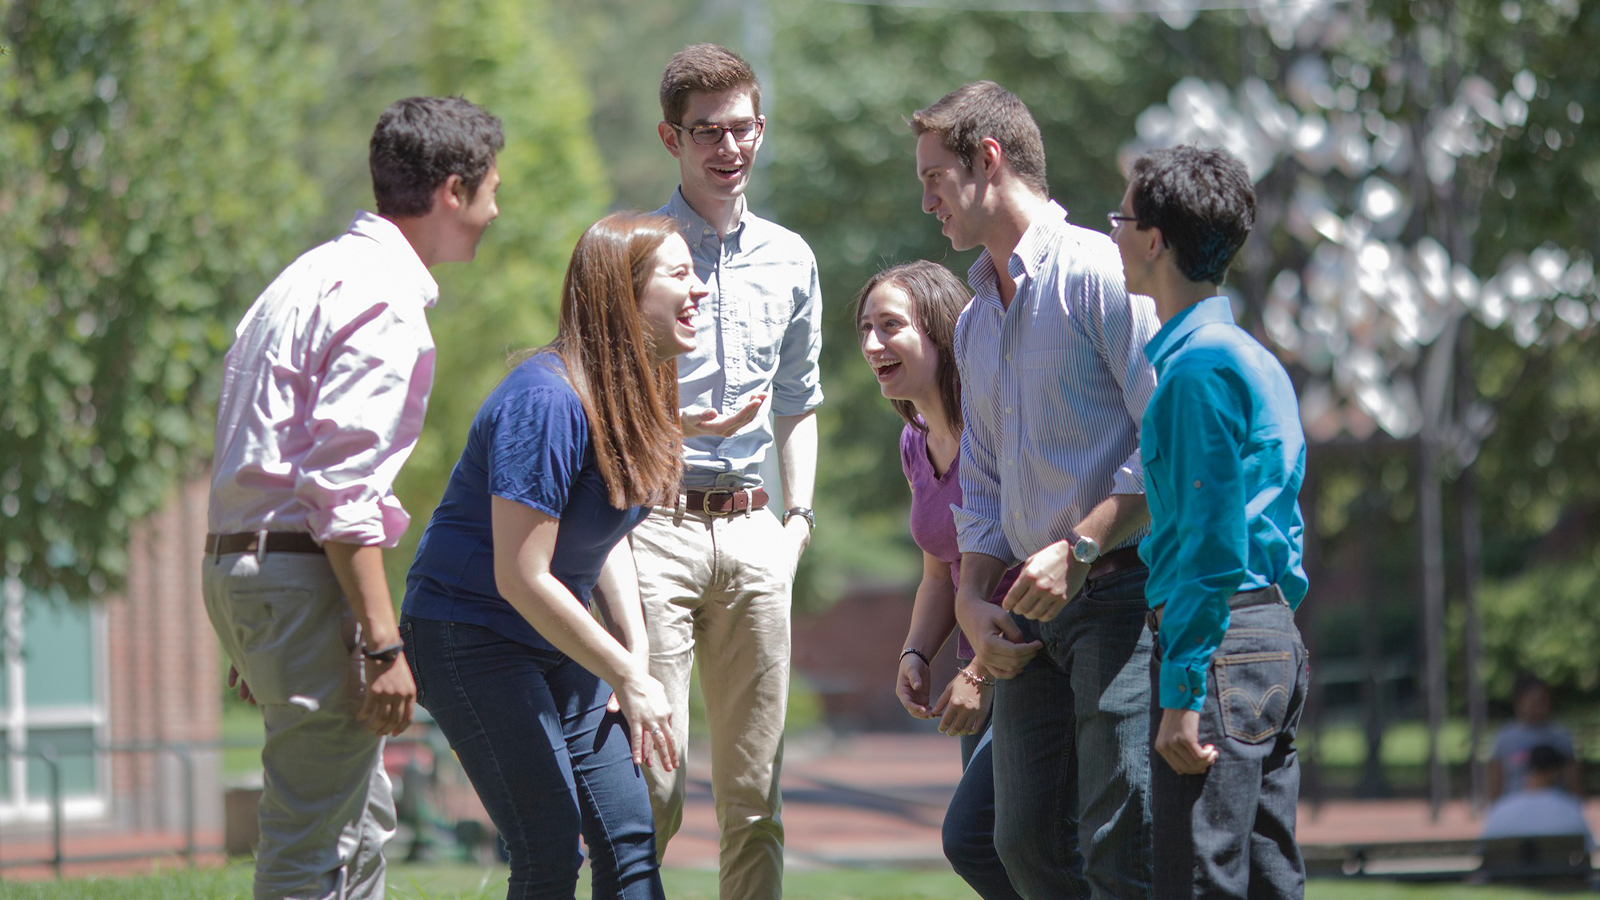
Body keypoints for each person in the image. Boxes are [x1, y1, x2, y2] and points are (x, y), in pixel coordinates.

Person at [202, 95, 502, 900]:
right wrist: (382, 644)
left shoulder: (306, 276)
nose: (494, 212)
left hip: (256, 567)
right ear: (452, 191)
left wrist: (259, 614)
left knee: (359, 824)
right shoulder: (382, 300)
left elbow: (253, 444)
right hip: (299, 571)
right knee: (313, 845)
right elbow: (341, 491)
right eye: (490, 191)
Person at [400, 212, 704, 900]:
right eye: (681, 273)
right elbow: (521, 574)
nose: (701, 289)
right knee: (548, 847)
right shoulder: (544, 401)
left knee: (630, 839)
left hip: (554, 633)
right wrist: (623, 671)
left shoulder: (633, 393)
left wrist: (632, 655)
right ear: (624, 292)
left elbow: (603, 532)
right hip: (470, 634)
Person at [910, 81, 1160, 899]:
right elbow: (981, 482)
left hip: (1122, 594)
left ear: (988, 160)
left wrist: (1081, 547)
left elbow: (1168, 436)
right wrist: (971, 600)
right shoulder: (976, 320)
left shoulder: (1098, 272)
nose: (927, 202)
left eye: (935, 178)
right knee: (1017, 845)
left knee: (1122, 847)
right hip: (1023, 614)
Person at [630, 43, 824, 899]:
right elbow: (596, 397)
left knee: (754, 802)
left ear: (761, 128)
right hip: (654, 530)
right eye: (706, 131)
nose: (728, 147)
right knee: (653, 787)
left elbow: (799, 401)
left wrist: (797, 524)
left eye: (741, 128)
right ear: (671, 137)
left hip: (755, 533)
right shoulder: (633, 252)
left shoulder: (793, 258)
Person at [1113, 144, 1311, 899]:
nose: (1113, 235)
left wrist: (1184, 688)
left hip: (1218, 644)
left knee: (1200, 879)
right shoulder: (1253, 359)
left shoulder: (1196, 372)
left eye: (1121, 220)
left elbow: (1209, 543)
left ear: (1155, 240)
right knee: (1268, 879)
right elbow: (1279, 528)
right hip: (1268, 634)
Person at [856, 261, 1025, 900]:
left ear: (941, 330)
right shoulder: (914, 442)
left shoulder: (998, 424)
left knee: (978, 839)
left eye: (890, 325)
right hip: (971, 670)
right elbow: (938, 571)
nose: (873, 344)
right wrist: (916, 652)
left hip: (1027, 658)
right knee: (1006, 849)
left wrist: (981, 673)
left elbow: (1040, 558)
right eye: (866, 329)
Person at [1480, 743, 1595, 850]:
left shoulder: (1500, 809)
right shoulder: (1571, 809)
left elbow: (1485, 851)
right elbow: (1588, 849)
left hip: (1510, 866)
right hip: (1557, 866)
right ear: (1554, 771)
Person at [1489, 673, 1582, 800]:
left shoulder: (1560, 735)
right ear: (1518, 702)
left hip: (1552, 803)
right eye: (1533, 703)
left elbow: (1573, 780)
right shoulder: (1505, 737)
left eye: (1543, 702)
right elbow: (1495, 780)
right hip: (1515, 804)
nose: (1539, 708)